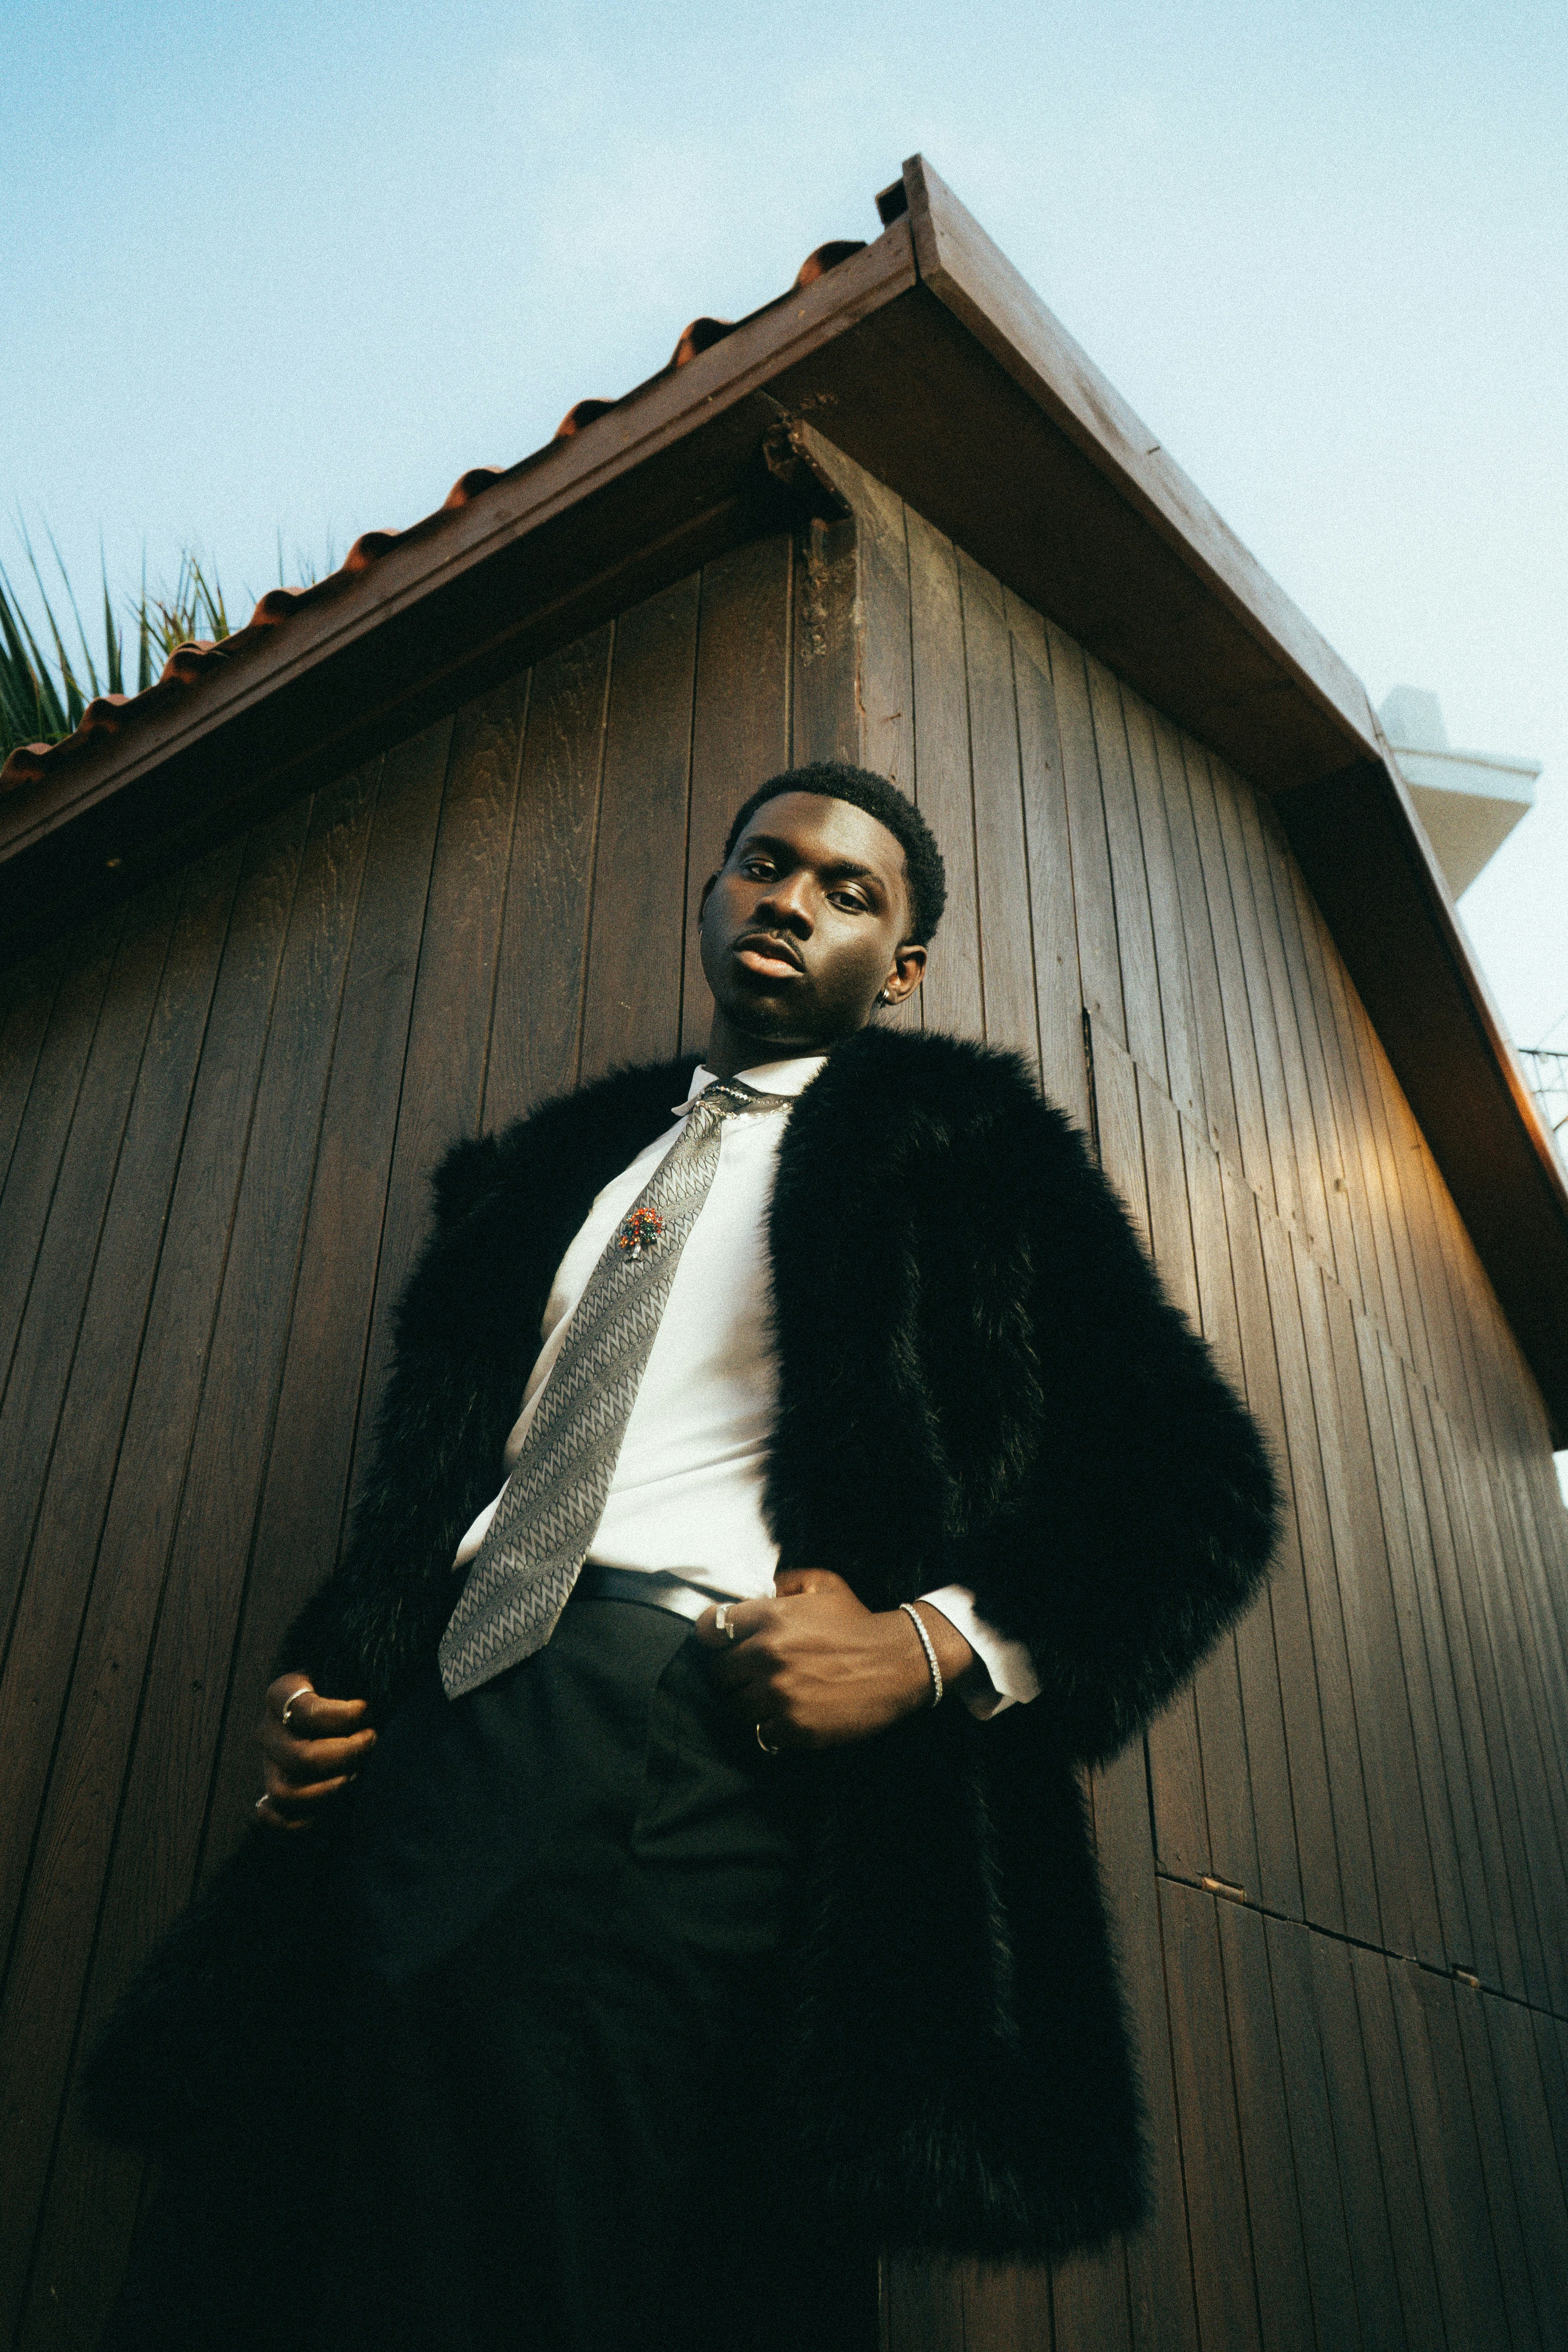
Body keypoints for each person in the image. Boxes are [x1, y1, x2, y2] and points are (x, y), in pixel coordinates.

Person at [94, 762, 1278, 2351]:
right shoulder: (555, 1171)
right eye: (763, 864)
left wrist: (932, 1643)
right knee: (306, 2210)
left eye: (850, 892)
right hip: (429, 1741)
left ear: (903, 969)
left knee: (527, 2234)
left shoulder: (967, 1155)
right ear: (710, 896)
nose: (791, 899)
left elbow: (1196, 1488)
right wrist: (337, 1678)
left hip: (675, 1727)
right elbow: (444, 1484)